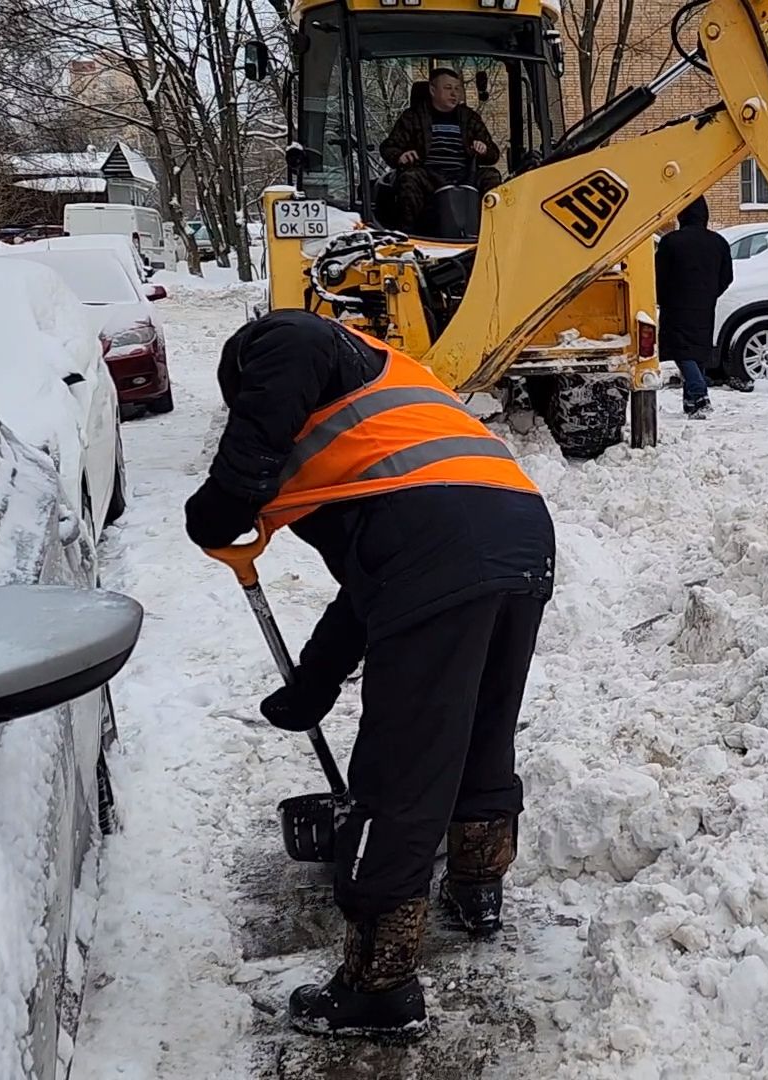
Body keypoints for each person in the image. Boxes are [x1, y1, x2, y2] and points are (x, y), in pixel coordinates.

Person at [183, 310, 554, 1038]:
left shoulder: (291, 340)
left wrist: (223, 501)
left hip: (443, 546)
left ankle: (377, 986)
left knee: (403, 767)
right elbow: (370, 592)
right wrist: (316, 680)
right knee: (481, 728)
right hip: (519, 534)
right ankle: (477, 890)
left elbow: (290, 350)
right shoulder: (388, 428)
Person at [379, 68, 502, 232]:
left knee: (491, 176)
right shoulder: (413, 116)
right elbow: (389, 147)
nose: (454, 94)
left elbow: (493, 154)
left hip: (465, 175)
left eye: (457, 89)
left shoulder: (469, 117)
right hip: (429, 176)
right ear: (432, 90)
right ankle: (407, 235)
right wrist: (401, 156)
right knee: (409, 178)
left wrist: (484, 149)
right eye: (448, 88)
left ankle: (495, 231)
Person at [654, 198, 735, 416]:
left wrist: (662, 298)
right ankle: (690, 402)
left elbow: (658, 276)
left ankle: (699, 394)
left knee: (682, 351)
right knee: (697, 352)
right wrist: (710, 293)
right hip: (705, 305)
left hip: (676, 304)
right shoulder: (718, 242)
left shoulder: (670, 242)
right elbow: (727, 276)